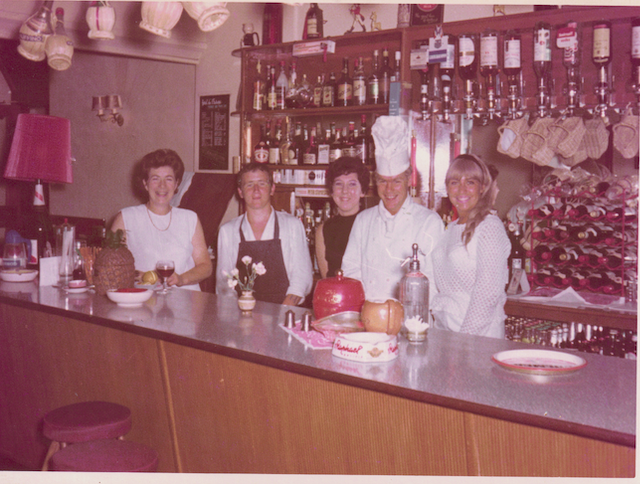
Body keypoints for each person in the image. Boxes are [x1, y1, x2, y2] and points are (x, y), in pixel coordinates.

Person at [341, 116, 444, 301]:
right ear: (375, 181)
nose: (389, 190)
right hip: (368, 314)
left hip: (411, 316)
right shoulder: (364, 220)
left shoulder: (429, 222)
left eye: (396, 181)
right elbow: (350, 272)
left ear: (408, 180)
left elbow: (435, 283)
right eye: (383, 181)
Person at [431, 154, 511, 339]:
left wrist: (465, 341)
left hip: (478, 336)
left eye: (470, 182)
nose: (462, 190)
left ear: (482, 187)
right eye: (454, 182)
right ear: (447, 188)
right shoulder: (450, 228)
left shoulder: (489, 226)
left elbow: (487, 294)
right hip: (445, 332)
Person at [111, 149, 212, 291]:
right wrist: (145, 276)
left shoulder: (190, 218)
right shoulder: (126, 218)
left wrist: (181, 279)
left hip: (186, 298)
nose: (162, 186)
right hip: (143, 298)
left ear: (176, 184)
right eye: (155, 179)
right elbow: (111, 266)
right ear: (145, 183)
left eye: (169, 179)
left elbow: (205, 266)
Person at [216, 163, 313, 305]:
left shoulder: (292, 225)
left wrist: (282, 312)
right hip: (241, 311)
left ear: (272, 189)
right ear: (240, 192)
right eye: (249, 185)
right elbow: (224, 283)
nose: (256, 190)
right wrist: (240, 313)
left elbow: (302, 278)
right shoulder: (228, 231)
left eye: (262, 183)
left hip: (285, 310)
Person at [315, 157, 370, 278]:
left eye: (352, 184)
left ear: (362, 191)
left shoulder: (372, 224)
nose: (345, 191)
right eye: (339, 184)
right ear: (331, 191)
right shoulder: (323, 231)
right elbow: (327, 279)